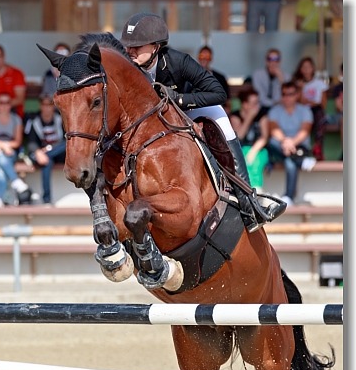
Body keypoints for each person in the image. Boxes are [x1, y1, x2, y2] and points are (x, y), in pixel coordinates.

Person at [120, 12, 284, 233]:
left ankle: (248, 201)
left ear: (156, 46)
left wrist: (178, 99)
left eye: (136, 47)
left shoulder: (178, 61)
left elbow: (218, 93)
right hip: (151, 121)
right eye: (128, 46)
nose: (130, 51)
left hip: (190, 109)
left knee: (222, 120)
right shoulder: (127, 66)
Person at [267, 81, 316, 206]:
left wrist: (291, 143)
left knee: (289, 161)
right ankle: (300, 161)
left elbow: (305, 131)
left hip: (299, 146)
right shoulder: (274, 110)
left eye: (290, 94)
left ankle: (289, 196)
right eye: (284, 94)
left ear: (297, 95)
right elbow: (274, 129)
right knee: (275, 146)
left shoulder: (305, 110)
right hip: (280, 146)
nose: (287, 97)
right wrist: (285, 142)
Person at [0, 92, 32, 208]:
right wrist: (3, 146)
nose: (4, 105)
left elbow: (17, 142)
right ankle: (16, 181)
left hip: (9, 152)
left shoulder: (16, 119)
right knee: (0, 156)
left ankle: (0, 198)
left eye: (7, 102)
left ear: (10, 105)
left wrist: (5, 147)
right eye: (1, 102)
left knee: (1, 166)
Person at [24, 94, 66, 204]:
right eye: (44, 105)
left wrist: (46, 151)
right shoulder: (34, 122)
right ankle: (46, 200)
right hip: (43, 157)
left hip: (59, 153)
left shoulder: (60, 119)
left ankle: (45, 155)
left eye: (50, 105)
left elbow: (66, 139)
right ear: (40, 106)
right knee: (46, 163)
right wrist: (37, 152)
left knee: (67, 144)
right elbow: (31, 143)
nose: (47, 108)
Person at [230, 87, 270, 192]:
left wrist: (253, 151)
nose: (257, 106)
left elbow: (264, 137)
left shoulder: (262, 116)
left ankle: (256, 189)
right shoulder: (235, 116)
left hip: (259, 149)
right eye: (254, 103)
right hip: (240, 148)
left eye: (258, 102)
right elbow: (239, 137)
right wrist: (249, 118)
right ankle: (244, 189)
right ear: (245, 104)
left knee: (255, 161)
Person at [292, 56, 329, 161]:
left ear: (313, 68)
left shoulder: (320, 83)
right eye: (304, 67)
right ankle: (301, 150)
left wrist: (310, 103)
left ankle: (318, 147)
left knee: (321, 116)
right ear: (300, 69)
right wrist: (301, 88)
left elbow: (323, 104)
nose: (306, 70)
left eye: (309, 67)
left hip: (316, 111)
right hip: (301, 112)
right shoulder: (297, 84)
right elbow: (298, 101)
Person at [0, 44, 27, 119]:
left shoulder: (17, 73)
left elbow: (20, 99)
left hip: (14, 112)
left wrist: (1, 105)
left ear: (4, 56)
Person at [251, 48, 291, 114]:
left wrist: (281, 80)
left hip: (281, 108)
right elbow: (260, 97)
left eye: (276, 59)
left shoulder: (286, 76)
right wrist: (274, 103)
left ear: (280, 61)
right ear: (266, 61)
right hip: (262, 107)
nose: (273, 62)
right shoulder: (258, 75)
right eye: (270, 59)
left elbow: (288, 95)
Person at [196, 45, 230, 111]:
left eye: (207, 57)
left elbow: (227, 100)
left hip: (216, 109)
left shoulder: (220, 78)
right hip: (197, 108)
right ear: (198, 58)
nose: (204, 59)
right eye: (201, 56)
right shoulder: (190, 77)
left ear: (211, 59)